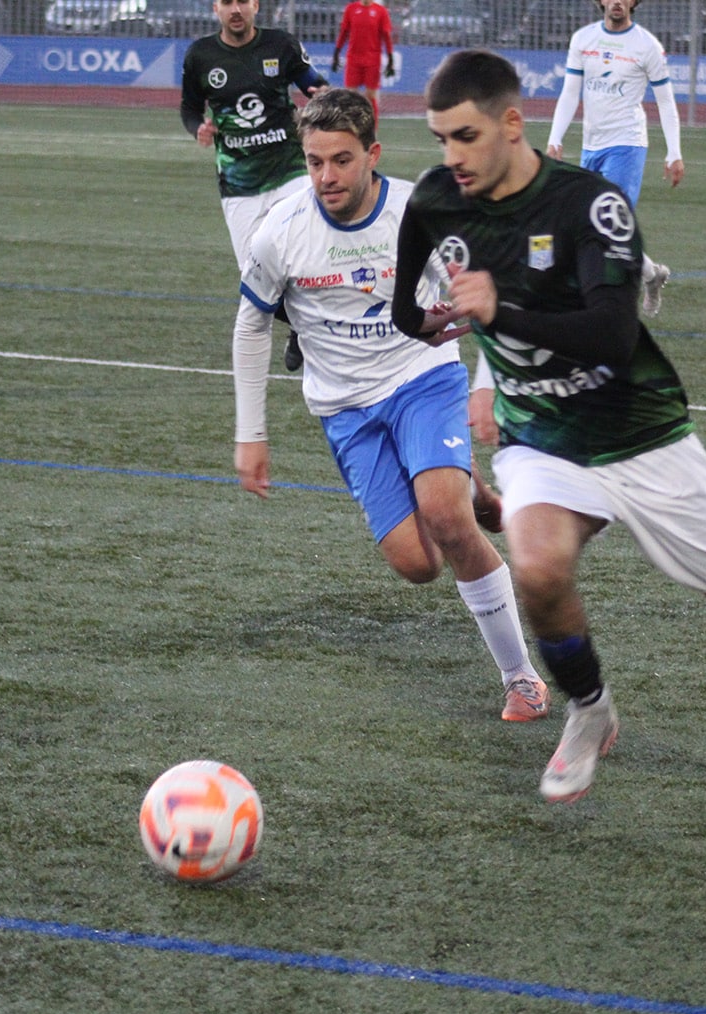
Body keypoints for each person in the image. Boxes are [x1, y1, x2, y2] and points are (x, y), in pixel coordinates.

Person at [392, 49, 706, 825]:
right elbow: (407, 312)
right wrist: (437, 320)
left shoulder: (588, 204)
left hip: (642, 435)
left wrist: (499, 314)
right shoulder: (435, 202)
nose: (449, 156)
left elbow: (608, 330)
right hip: (544, 438)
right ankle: (590, 708)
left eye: (463, 136)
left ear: (509, 122)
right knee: (536, 568)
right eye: (438, 139)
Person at [233, 88, 550, 722]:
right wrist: (252, 433)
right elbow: (251, 326)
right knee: (416, 565)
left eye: (342, 160)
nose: (327, 176)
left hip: (421, 377)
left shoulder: (420, 213)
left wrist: (486, 379)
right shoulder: (279, 232)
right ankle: (476, 492)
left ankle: (522, 678)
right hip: (344, 409)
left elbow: (496, 289)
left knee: (446, 520)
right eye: (315, 161)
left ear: (372, 154)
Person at [181, 0, 327, 372]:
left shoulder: (281, 46)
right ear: (216, 8)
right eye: (227, 2)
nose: (236, 9)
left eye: (242, 1)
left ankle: (320, 330)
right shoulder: (200, 56)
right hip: (238, 182)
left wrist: (322, 96)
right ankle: (299, 325)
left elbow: (313, 84)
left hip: (290, 169)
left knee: (309, 253)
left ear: (255, 6)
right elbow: (189, 107)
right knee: (255, 278)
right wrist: (197, 126)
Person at [546, 0, 680, 318]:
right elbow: (569, 93)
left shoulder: (647, 45)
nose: (617, 1)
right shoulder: (583, 39)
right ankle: (651, 274)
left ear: (634, 3)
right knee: (595, 223)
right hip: (591, 146)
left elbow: (665, 100)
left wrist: (674, 151)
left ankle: (600, 301)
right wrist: (555, 138)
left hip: (627, 145)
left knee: (605, 222)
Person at [329, 0, 394, 129]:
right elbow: (344, 33)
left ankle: (372, 130)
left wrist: (390, 60)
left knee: (371, 97)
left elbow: (386, 36)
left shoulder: (381, 12)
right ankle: (351, 128)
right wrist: (336, 53)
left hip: (373, 60)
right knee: (350, 96)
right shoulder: (351, 9)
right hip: (353, 59)